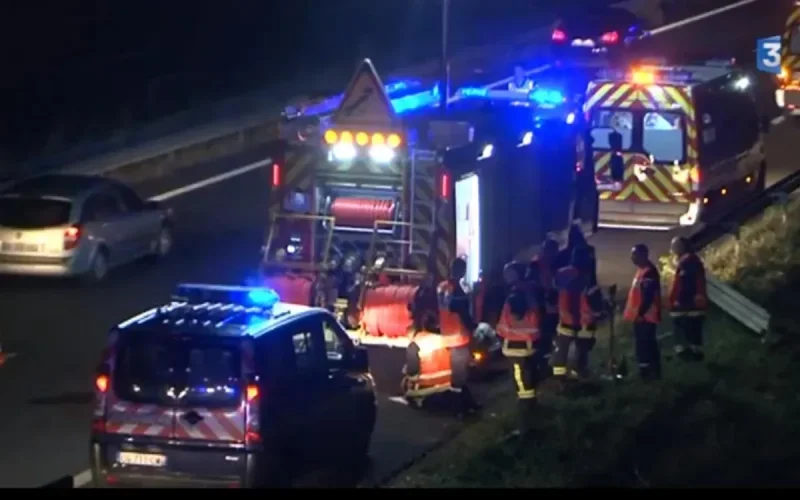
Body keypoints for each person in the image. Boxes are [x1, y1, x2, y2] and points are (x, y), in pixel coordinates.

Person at [552, 245, 606, 381]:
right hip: (585, 321)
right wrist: (602, 311)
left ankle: (560, 378)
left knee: (562, 350)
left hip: (565, 319)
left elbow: (554, 290)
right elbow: (593, 299)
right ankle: (579, 373)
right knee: (582, 351)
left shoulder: (561, 273)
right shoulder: (587, 276)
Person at [438, 258, 482, 415]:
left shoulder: (442, 286)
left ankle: (468, 403)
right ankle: (458, 410)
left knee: (460, 373)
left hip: (447, 334)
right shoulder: (456, 289)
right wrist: (474, 327)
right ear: (461, 271)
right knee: (459, 376)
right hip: (458, 336)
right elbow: (462, 312)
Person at [496, 289, 540, 430]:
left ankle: (525, 403)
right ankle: (529, 399)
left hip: (512, 349)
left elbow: (501, 330)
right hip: (529, 348)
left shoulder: (507, 312)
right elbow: (536, 329)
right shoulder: (532, 311)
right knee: (528, 373)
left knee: (519, 376)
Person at [623, 244, 663, 380]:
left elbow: (648, 296)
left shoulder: (648, 272)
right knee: (645, 343)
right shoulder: (642, 270)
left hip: (646, 316)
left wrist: (640, 314)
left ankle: (648, 372)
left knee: (645, 344)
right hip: (642, 316)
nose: (632, 258)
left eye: (634, 254)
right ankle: (650, 371)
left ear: (643, 255)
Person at [668, 236, 708, 361]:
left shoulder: (689, 262)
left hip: (689, 303)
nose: (673, 248)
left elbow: (687, 284)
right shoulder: (684, 261)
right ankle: (688, 352)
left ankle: (692, 353)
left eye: (675, 245)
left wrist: (679, 300)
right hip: (685, 303)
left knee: (690, 327)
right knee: (686, 327)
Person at [527, 238, 560, 373]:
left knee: (548, 338)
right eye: (553, 251)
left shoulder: (552, 264)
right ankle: (539, 366)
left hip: (551, 308)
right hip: (541, 308)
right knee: (542, 339)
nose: (554, 255)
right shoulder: (536, 265)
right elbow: (532, 286)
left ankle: (544, 364)